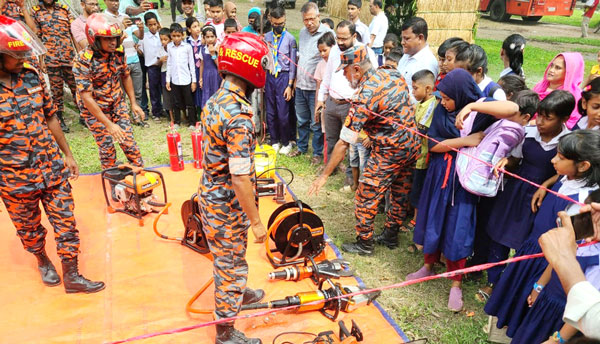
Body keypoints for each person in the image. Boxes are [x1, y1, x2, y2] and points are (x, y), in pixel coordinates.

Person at [0, 15, 105, 293]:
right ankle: (42, 260)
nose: (23, 57)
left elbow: (51, 118)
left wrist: (68, 155)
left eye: (24, 52)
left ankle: (72, 274)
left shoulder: (31, 76)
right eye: (15, 54)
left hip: (50, 166)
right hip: (14, 178)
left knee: (66, 220)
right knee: (28, 228)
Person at [407, 69, 521, 312]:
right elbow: (433, 145)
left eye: (448, 98)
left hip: (464, 182)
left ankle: (456, 283)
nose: (444, 102)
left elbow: (512, 110)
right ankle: (428, 265)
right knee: (433, 220)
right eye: (442, 97)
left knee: (458, 229)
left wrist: (472, 108)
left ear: (462, 94)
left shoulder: (480, 111)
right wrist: (465, 142)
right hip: (439, 176)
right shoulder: (440, 110)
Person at [485, 128, 600, 338]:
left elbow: (569, 249)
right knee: (519, 295)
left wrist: (540, 284)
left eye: (561, 157)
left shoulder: (583, 202)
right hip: (534, 247)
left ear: (583, 166)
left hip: (547, 260)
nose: (554, 160)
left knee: (530, 303)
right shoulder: (566, 179)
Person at [308, 44, 420, 257]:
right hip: (411, 146)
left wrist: (324, 176)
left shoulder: (364, 97)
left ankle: (365, 243)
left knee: (366, 195)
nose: (343, 74)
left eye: (345, 69)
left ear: (357, 69)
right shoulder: (392, 74)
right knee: (399, 192)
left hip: (390, 151)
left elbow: (344, 142)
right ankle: (390, 236)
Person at [199, 32, 269, 344]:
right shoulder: (239, 115)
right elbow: (239, 178)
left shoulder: (216, 100)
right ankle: (225, 333)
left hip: (212, 195)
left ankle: (238, 291)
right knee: (229, 264)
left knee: (231, 258)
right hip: (226, 202)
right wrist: (256, 222)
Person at [476, 90, 570, 301]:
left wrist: (547, 184)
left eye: (549, 118)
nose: (541, 122)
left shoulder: (567, 142)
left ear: (564, 119)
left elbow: (564, 173)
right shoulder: (527, 133)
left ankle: (512, 285)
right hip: (516, 191)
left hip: (541, 200)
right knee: (500, 234)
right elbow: (515, 159)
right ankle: (493, 281)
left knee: (526, 242)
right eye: (540, 115)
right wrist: (506, 162)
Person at [72, 13, 145, 170]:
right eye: (108, 39)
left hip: (116, 103)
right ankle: (111, 181)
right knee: (107, 147)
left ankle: (140, 176)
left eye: (115, 38)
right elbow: (86, 97)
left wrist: (133, 103)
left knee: (129, 142)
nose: (113, 42)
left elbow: (125, 76)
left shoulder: (118, 52)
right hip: (94, 110)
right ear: (95, 39)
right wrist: (109, 125)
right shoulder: (83, 60)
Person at [316, 20, 377, 160]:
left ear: (354, 36)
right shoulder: (334, 51)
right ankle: (331, 167)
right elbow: (327, 76)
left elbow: (373, 80)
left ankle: (350, 174)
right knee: (331, 138)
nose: (340, 42)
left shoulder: (365, 52)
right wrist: (321, 98)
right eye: (338, 38)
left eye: (344, 38)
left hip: (351, 104)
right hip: (332, 103)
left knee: (351, 141)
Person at [540, 212, 600, 339]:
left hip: (565, 319)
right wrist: (538, 286)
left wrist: (557, 340)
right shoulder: (585, 235)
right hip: (547, 303)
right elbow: (555, 261)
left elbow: (587, 307)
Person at [291, 1, 332, 163]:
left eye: (311, 19)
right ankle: (301, 147)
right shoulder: (302, 32)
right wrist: (294, 81)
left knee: (316, 121)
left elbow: (330, 61)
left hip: (317, 87)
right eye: (305, 20)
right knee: (301, 120)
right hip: (301, 84)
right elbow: (300, 57)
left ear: (318, 17)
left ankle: (317, 153)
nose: (308, 23)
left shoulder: (328, 33)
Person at [398, 70, 437, 237]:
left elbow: (421, 129)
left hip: (422, 157)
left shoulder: (431, 105)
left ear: (428, 88)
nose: (413, 92)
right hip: (414, 155)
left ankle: (416, 220)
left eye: (415, 89)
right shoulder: (421, 103)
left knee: (418, 191)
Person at [31, 0, 78, 133]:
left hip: (69, 57)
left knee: (77, 87)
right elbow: (37, 37)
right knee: (56, 92)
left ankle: (85, 115)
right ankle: (60, 119)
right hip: (51, 59)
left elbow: (73, 33)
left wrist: (78, 53)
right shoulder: (36, 11)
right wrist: (41, 60)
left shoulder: (64, 9)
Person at [105, 0, 147, 127]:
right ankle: (123, 118)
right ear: (105, 2)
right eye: (112, 1)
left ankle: (137, 116)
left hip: (134, 58)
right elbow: (109, 40)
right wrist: (120, 26)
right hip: (117, 61)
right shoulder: (103, 18)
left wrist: (141, 29)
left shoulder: (126, 16)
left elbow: (139, 36)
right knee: (120, 93)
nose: (115, 3)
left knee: (138, 91)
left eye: (117, 0)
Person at [264, 6, 297, 155]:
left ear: (285, 19)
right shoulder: (266, 37)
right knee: (270, 112)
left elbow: (292, 65)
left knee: (283, 112)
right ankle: (274, 140)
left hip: (283, 77)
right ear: (270, 20)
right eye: (275, 24)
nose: (278, 27)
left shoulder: (290, 39)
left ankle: (286, 141)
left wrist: (290, 85)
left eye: (281, 24)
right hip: (270, 76)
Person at [533, 52, 585, 129]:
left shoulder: (574, 95)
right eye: (551, 66)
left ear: (568, 72)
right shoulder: (539, 87)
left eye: (558, 68)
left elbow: (570, 123)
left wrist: (533, 123)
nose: (551, 70)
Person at [396, 17, 438, 92]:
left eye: (407, 39)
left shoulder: (427, 63)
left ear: (420, 38)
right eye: (402, 38)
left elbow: (421, 98)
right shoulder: (406, 55)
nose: (402, 42)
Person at [166, 23, 196, 128]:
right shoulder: (170, 48)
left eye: (178, 36)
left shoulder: (187, 47)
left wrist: (194, 81)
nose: (176, 38)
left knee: (189, 102)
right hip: (175, 80)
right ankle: (177, 122)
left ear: (182, 35)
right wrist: (168, 80)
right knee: (176, 102)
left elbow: (191, 64)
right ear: (171, 36)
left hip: (186, 79)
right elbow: (169, 64)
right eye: (174, 36)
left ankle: (192, 122)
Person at [140, 12, 164, 121]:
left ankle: (165, 109)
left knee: (163, 88)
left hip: (163, 65)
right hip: (152, 67)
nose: (153, 27)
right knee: (154, 90)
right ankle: (156, 112)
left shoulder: (162, 35)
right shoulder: (144, 37)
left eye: (155, 24)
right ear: (146, 25)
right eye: (150, 25)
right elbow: (141, 51)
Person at [199, 24, 221, 108]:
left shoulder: (218, 49)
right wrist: (200, 78)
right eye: (207, 37)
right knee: (207, 93)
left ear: (216, 37)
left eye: (212, 36)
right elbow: (202, 64)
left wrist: (213, 54)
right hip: (206, 75)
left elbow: (219, 66)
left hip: (216, 75)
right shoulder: (203, 49)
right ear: (204, 38)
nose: (210, 39)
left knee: (216, 93)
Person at [186, 17, 202, 118]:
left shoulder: (203, 39)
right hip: (191, 70)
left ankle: (201, 113)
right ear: (189, 29)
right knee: (193, 91)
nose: (197, 29)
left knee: (201, 91)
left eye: (198, 26)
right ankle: (193, 114)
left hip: (201, 69)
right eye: (194, 27)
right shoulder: (186, 42)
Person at [159, 27, 174, 122]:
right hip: (164, 73)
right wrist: (160, 60)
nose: (163, 42)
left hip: (174, 73)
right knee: (167, 95)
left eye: (165, 39)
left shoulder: (173, 48)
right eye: (161, 39)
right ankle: (171, 117)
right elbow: (158, 63)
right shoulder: (161, 50)